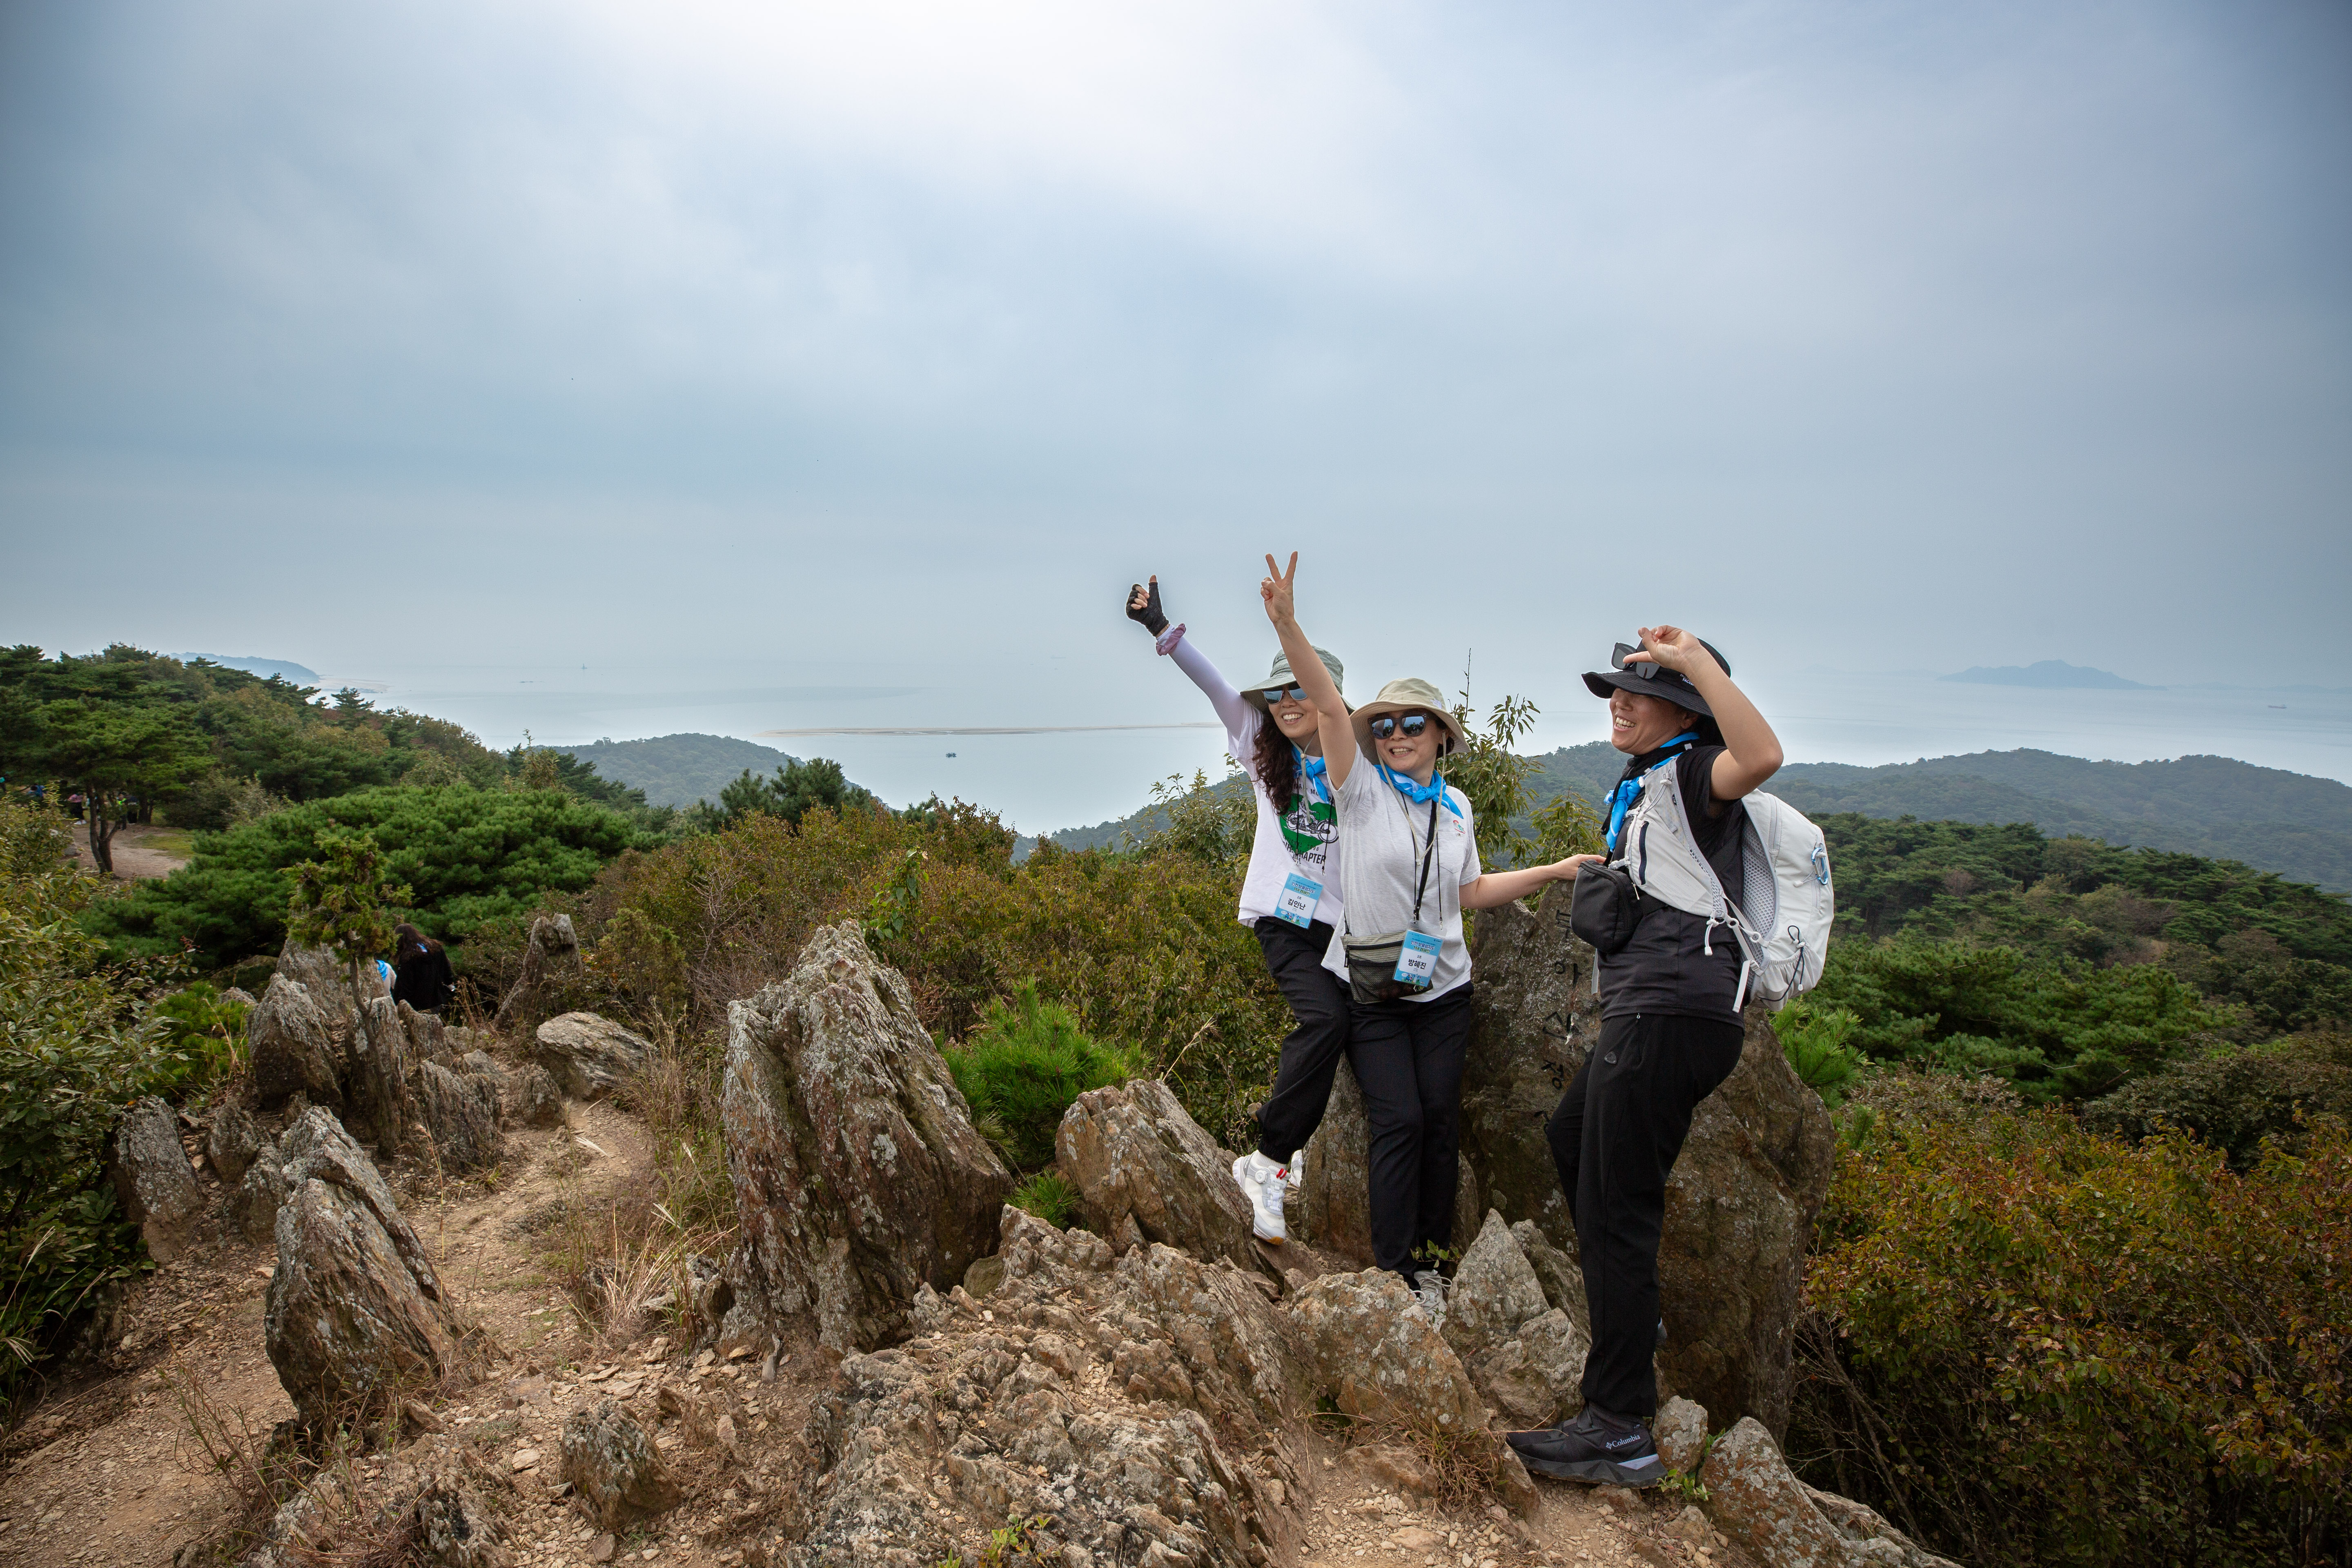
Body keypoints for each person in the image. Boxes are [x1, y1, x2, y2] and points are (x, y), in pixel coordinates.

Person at [1257, 553, 1590, 1312]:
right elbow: (1331, 711)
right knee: (1399, 1121)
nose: (1398, 734)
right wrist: (1286, 623)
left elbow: (1469, 892)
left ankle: (1434, 1264)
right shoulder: (1359, 788)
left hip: (1444, 991)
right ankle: (1397, 1270)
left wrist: (1552, 870)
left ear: (1440, 736)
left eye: (1415, 724)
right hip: (1371, 990)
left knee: (1440, 1123)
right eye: (1389, 725)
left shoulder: (1460, 808)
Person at [1506, 627, 1784, 1486]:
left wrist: (1699, 661)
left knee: (1620, 1208)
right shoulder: (1648, 782)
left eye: (1636, 692)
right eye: (1613, 691)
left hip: (1672, 1015)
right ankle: (1636, 1316)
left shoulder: (1703, 771)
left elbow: (1764, 754)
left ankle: (1618, 1425)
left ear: (1687, 710)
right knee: (1571, 1137)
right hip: (1657, 1014)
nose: (1617, 704)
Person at [1126, 573, 1354, 1247]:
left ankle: (1295, 1148)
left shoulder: (1353, 759)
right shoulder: (1262, 746)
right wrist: (1160, 629)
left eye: (1299, 690)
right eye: (1278, 692)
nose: (1286, 702)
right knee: (1324, 1021)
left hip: (1341, 929)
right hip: (1283, 920)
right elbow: (1217, 687)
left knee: (1348, 1038)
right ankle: (1268, 1162)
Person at [391, 921, 456, 1013]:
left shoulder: (408, 957)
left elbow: (406, 984)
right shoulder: (436, 947)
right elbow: (447, 970)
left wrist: (399, 1003)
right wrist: (450, 987)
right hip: (436, 999)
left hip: (416, 1004)